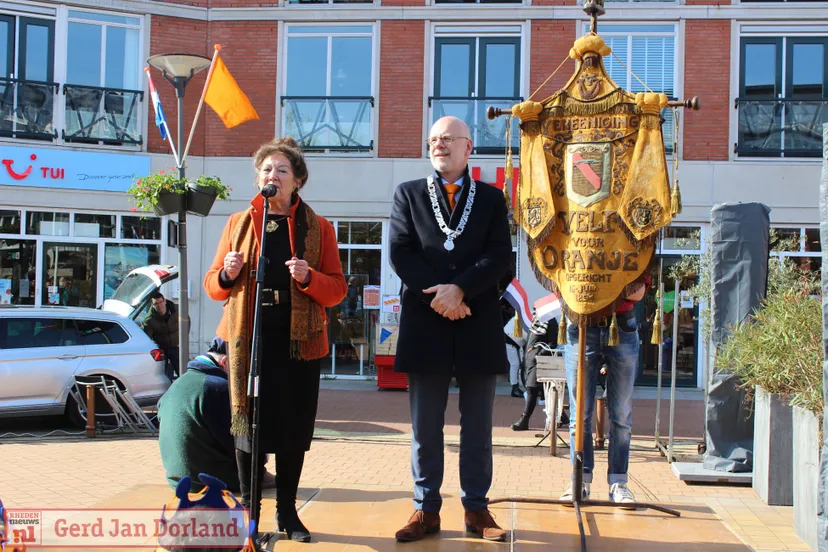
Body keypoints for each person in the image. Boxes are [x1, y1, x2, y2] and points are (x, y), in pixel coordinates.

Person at [203, 137, 347, 546]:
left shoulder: (319, 228)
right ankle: (249, 514)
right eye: (267, 170)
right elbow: (213, 286)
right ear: (258, 178)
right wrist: (228, 274)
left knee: (292, 429)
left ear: (297, 180)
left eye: (282, 170)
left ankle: (287, 511)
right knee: (247, 427)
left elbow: (336, 290)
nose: (273, 176)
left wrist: (307, 277)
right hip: (250, 340)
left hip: (298, 343)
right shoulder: (238, 223)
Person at [389, 116, 512, 542]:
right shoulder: (407, 194)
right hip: (427, 323)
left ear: (468, 147)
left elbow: (501, 257)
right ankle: (426, 511)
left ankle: (477, 511)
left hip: (476, 323)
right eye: (433, 139)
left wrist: (460, 289)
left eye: (448, 139)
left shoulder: (493, 200)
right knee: (425, 429)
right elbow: (401, 254)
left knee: (478, 427)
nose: (439, 144)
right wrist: (439, 298)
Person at [560, 270, 651, 507]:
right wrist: (616, 287)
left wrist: (592, 287)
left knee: (621, 415)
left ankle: (618, 483)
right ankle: (580, 480)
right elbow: (557, 283)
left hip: (621, 325)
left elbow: (639, 292)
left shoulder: (632, 243)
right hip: (581, 324)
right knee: (579, 416)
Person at [157, 336, 239, 493]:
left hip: (177, 479)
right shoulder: (217, 388)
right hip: (214, 481)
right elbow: (235, 443)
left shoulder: (178, 383)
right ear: (226, 362)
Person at [511, 313, 559, 431]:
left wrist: (539, 354)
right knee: (544, 392)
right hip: (530, 360)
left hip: (540, 361)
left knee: (532, 388)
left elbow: (553, 343)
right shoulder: (535, 321)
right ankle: (562, 416)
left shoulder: (551, 321)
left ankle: (525, 419)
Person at [143, 292, 181, 380]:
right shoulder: (149, 320)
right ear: (152, 305)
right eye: (156, 304)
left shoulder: (177, 310)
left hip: (176, 346)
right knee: (163, 374)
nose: (159, 305)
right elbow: (147, 338)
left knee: (182, 371)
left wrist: (182, 340)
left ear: (165, 301)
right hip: (162, 349)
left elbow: (186, 322)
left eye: (160, 302)